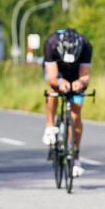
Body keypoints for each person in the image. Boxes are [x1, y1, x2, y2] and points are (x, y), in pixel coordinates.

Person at [42, 28, 92, 176]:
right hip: (58, 73)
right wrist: (59, 81)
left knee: (75, 116)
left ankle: (75, 156)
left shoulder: (85, 46)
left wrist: (80, 83)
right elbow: (51, 77)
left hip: (76, 74)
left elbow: (85, 76)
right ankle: (50, 125)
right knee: (53, 91)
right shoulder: (51, 43)